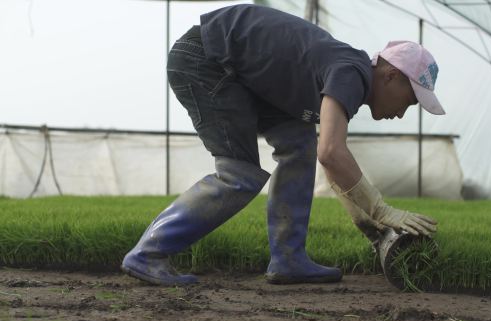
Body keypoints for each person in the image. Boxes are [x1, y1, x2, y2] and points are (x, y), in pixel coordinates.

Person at [120, 4, 444, 286]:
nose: (402, 112)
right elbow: (331, 152)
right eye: (410, 101)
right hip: (208, 60)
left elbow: (329, 163)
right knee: (239, 174)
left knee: (300, 147)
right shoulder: (352, 73)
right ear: (390, 76)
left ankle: (288, 260)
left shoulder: (348, 71)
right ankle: (148, 254)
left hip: (240, 72)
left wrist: (369, 224)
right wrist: (380, 208)